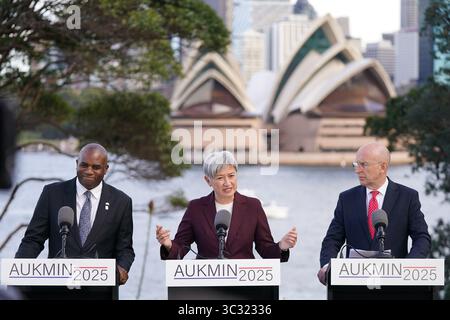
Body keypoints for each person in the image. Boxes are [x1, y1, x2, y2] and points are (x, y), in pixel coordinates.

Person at [15, 143, 135, 296]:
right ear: (76, 164)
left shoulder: (121, 201)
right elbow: (33, 240)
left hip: (100, 292)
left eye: (96, 167)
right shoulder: (52, 193)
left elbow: (125, 249)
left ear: (106, 169)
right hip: (56, 290)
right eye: (84, 165)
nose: (89, 171)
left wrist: (123, 267)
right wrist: (17, 270)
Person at [317, 142, 431, 285]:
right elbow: (332, 240)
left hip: (395, 286)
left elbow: (422, 238)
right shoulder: (346, 198)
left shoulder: (407, 197)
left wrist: (407, 268)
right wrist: (327, 267)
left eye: (363, 165)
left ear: (382, 167)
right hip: (352, 286)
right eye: (355, 164)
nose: (357, 170)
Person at [156, 150, 297, 261]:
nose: (227, 182)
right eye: (220, 178)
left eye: (231, 175)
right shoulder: (196, 208)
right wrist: (168, 244)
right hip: (205, 285)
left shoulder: (253, 206)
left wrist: (282, 246)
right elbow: (181, 247)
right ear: (208, 180)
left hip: (245, 285)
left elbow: (265, 249)